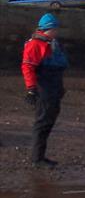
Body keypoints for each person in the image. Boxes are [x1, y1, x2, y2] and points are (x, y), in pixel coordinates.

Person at [21, 13, 69, 168]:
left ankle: (40, 157)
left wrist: (60, 88)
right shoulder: (35, 44)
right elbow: (27, 67)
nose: (57, 31)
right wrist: (31, 89)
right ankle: (37, 159)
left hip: (53, 86)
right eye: (55, 28)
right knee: (42, 122)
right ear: (48, 29)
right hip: (44, 87)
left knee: (49, 120)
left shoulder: (52, 43)